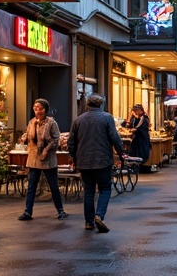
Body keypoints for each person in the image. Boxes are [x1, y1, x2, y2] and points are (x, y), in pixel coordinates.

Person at [67, 93, 125, 232]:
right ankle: (99, 215)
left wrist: (75, 158)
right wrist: (121, 153)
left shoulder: (78, 120)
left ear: (88, 105)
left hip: (84, 161)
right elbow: (115, 138)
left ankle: (88, 222)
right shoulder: (107, 118)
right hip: (103, 160)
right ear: (101, 104)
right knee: (105, 188)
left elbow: (71, 142)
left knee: (89, 191)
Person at [19, 99, 66, 221]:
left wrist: (46, 150)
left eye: (38, 107)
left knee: (53, 186)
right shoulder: (32, 122)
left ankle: (60, 210)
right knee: (31, 186)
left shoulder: (51, 123)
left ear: (44, 109)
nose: (36, 110)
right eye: (34, 107)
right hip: (33, 158)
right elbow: (28, 134)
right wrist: (24, 138)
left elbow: (56, 139)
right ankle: (28, 212)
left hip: (48, 159)